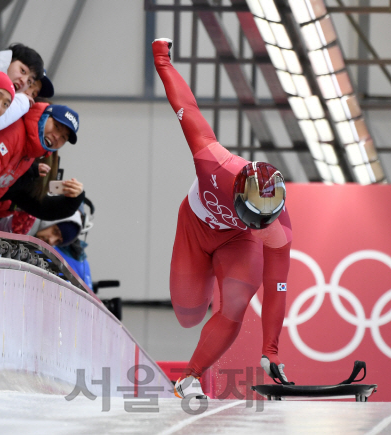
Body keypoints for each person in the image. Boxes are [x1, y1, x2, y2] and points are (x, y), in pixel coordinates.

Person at [152, 38, 292, 399]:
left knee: (236, 302)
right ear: (239, 196)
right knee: (188, 314)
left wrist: (270, 350)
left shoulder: (275, 230)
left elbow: (277, 287)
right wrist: (162, 59)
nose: (260, 226)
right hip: (195, 229)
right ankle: (198, 307)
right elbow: (184, 104)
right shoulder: (212, 160)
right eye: (253, 219)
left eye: (264, 223)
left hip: (235, 242)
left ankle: (190, 378)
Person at [0, 103, 79, 225]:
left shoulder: (28, 155)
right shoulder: (14, 134)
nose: (57, 137)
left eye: (64, 137)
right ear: (45, 116)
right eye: (56, 126)